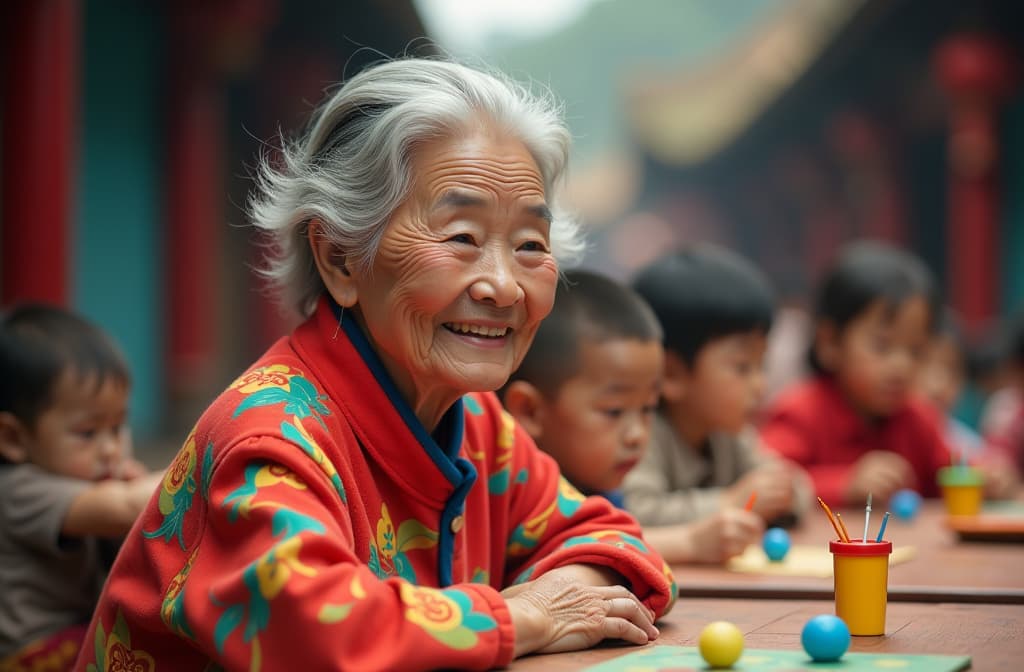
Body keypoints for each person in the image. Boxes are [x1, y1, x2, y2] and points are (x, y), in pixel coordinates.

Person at [73, 58, 675, 672]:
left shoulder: (480, 429)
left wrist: (555, 597)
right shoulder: (271, 436)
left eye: (529, 246)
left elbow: (616, 543)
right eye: (462, 237)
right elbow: (318, 634)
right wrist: (525, 616)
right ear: (340, 259)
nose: (503, 286)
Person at [502, 269, 763, 564]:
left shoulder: (601, 490)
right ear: (530, 411)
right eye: (614, 411)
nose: (638, 434)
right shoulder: (509, 491)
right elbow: (574, 546)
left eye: (648, 408)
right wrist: (689, 543)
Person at [0, 304, 162, 670]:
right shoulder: (18, 490)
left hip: (71, 638)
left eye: (118, 428)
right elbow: (125, 508)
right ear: (13, 438)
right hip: (33, 654)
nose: (110, 449)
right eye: (87, 433)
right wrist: (209, 464)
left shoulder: (87, 481)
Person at [621, 244, 811, 529]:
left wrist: (782, 494)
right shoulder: (641, 434)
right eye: (742, 367)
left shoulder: (727, 433)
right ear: (671, 375)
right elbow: (635, 512)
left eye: (763, 366)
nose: (761, 385)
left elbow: (793, 483)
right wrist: (730, 503)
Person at [760, 240, 953, 505]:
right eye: (882, 346)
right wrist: (844, 484)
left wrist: (984, 479)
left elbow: (951, 474)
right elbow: (766, 484)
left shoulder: (918, 417)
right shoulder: (800, 412)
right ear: (830, 343)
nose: (902, 366)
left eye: (916, 351)